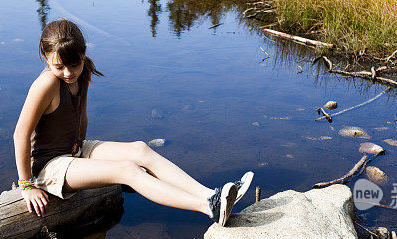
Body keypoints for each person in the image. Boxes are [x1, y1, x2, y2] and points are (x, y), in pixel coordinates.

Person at [13, 19, 253, 226]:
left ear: (83, 54)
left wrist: (80, 147)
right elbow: (20, 135)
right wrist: (27, 185)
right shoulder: (47, 84)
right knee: (127, 170)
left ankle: (214, 195)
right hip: (48, 166)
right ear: (46, 58)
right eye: (59, 67)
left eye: (74, 64)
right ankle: (207, 207)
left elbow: (81, 115)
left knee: (140, 149)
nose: (68, 72)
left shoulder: (83, 72)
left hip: (72, 150)